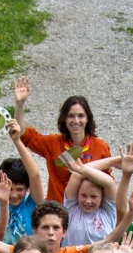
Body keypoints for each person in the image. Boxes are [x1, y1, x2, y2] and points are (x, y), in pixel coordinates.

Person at [12, 75, 113, 203]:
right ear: (64, 118)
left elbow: (108, 184)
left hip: (86, 213)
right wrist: (20, 104)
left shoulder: (100, 147)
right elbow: (22, 134)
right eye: (71, 116)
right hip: (57, 214)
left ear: (88, 118)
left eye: (81, 116)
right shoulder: (53, 143)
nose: (76, 121)